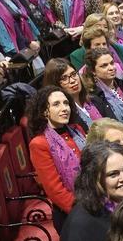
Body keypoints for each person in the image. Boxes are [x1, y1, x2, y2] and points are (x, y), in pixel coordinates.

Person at [27, 85, 88, 225]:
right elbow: (54, 189)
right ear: (44, 112)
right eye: (56, 104)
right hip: (72, 213)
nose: (64, 108)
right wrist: (82, 212)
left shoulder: (77, 130)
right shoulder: (39, 144)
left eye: (66, 103)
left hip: (95, 201)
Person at [82, 46, 123, 124]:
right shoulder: (94, 97)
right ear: (93, 71)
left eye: (112, 63)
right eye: (104, 65)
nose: (111, 68)